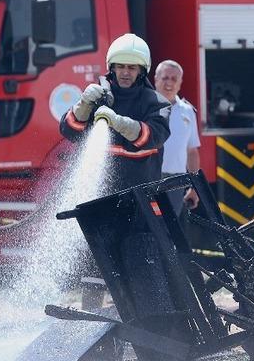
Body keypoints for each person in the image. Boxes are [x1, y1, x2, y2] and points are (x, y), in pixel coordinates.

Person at [59, 33, 171, 309]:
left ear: (141, 70)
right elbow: (70, 131)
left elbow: (152, 139)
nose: (125, 72)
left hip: (139, 205)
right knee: (94, 269)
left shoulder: (156, 102)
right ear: (112, 67)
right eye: (121, 66)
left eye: (131, 68)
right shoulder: (99, 95)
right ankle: (94, 327)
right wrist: (83, 106)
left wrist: (119, 122)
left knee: (139, 268)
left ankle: (150, 330)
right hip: (101, 201)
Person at [154, 60, 201, 216]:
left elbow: (192, 151)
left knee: (171, 230)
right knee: (149, 227)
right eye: (165, 77)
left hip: (176, 181)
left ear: (180, 83)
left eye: (174, 79)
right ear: (156, 79)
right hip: (150, 178)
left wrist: (194, 187)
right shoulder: (146, 106)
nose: (169, 83)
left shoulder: (187, 111)